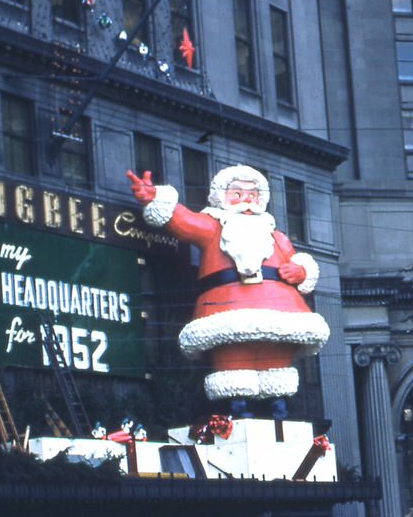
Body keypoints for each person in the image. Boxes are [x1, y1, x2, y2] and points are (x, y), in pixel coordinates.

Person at [126, 164, 330, 405]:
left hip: (282, 311)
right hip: (225, 311)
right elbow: (183, 221)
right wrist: (154, 198)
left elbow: (298, 262)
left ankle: (278, 410)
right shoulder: (213, 227)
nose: (246, 200)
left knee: (277, 370)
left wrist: (301, 271)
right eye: (237, 194)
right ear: (222, 197)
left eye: (252, 195)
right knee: (233, 368)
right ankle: (237, 411)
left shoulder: (277, 236)